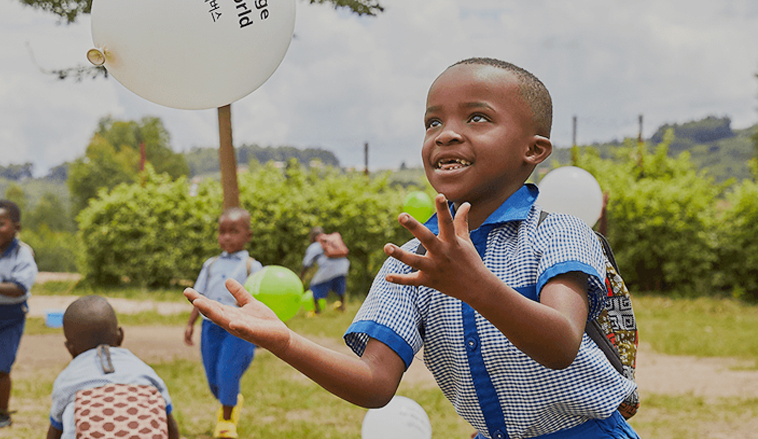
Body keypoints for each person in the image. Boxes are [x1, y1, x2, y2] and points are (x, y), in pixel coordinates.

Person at [185, 58, 640, 438]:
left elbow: (561, 342)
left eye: (477, 117)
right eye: (433, 122)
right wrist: (286, 341)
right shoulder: (410, 259)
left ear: (534, 149)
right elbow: (375, 384)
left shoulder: (557, 232)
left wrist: (473, 284)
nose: (445, 133)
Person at [46, 295, 179, 439]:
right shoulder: (143, 371)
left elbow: (55, 431)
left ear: (70, 349)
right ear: (120, 336)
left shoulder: (68, 379)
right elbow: (170, 425)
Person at [185, 207, 263, 438]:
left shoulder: (252, 266)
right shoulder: (210, 264)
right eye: (222, 232)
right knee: (213, 378)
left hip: (238, 328)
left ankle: (227, 423)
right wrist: (190, 323)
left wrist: (259, 332)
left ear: (247, 236)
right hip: (210, 326)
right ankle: (230, 400)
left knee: (227, 371)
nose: (226, 237)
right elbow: (198, 294)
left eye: (233, 231)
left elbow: (260, 301)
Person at [0, 200, 37, 429]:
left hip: (10, 317)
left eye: (1, 223)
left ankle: (2, 413)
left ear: (17, 227)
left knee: (2, 367)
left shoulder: (23, 254)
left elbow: (20, 287)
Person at [299, 226, 349, 315]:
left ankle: (317, 311)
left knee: (314, 286)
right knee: (340, 288)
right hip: (343, 266)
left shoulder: (315, 246)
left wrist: (301, 278)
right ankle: (342, 307)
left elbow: (306, 264)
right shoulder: (332, 241)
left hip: (329, 268)